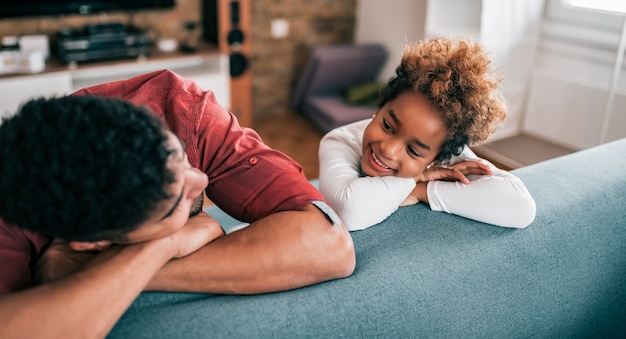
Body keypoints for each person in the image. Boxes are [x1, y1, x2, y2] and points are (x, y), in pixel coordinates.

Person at [0, 69, 355, 338]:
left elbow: (329, 245)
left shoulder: (177, 108)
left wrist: (137, 257)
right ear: (91, 241)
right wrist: (164, 246)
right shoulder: (11, 219)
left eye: (182, 158)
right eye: (175, 205)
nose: (201, 182)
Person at [319, 37, 536, 231]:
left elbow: (521, 207)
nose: (388, 149)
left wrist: (421, 191)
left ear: (437, 159)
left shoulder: (445, 153)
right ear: (379, 108)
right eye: (387, 125)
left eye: (413, 150)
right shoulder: (339, 140)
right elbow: (348, 210)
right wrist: (417, 177)